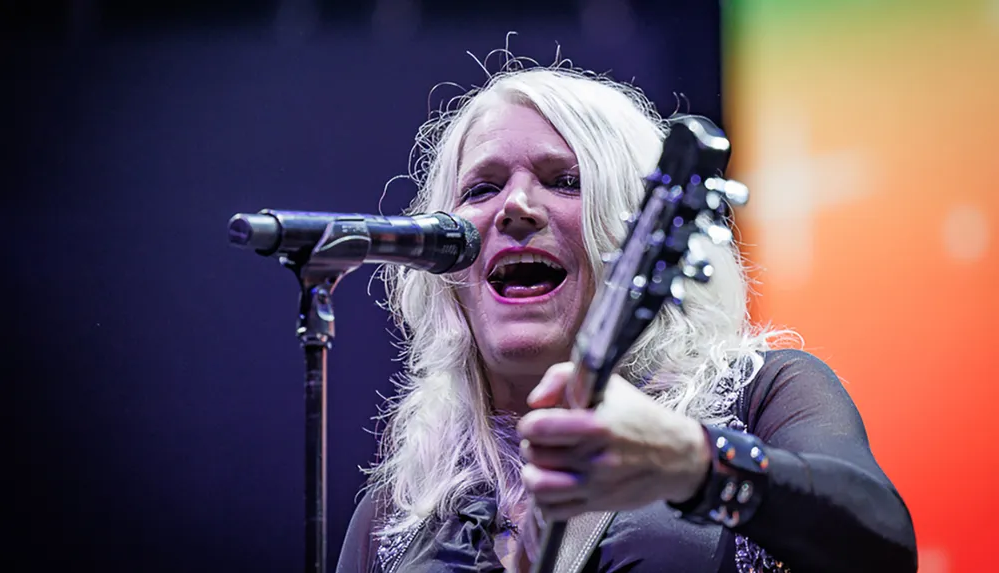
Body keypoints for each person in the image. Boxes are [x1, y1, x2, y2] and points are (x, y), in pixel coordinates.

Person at [335, 57, 917, 573]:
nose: (515, 207)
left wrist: (692, 462)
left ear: (631, 230)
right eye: (481, 189)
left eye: (565, 181)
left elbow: (883, 545)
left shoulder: (760, 397)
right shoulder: (401, 509)